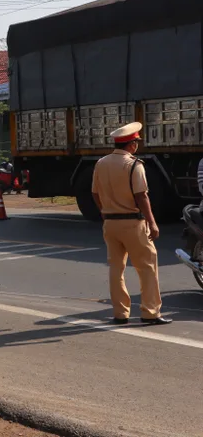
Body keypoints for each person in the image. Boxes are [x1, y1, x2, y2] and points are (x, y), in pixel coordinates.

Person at [91, 122, 170, 325]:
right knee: (147, 267)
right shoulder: (134, 165)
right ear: (132, 144)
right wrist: (152, 222)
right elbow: (141, 196)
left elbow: (94, 193)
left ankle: (120, 313)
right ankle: (150, 312)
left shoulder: (101, 163)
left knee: (116, 268)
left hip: (110, 224)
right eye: (136, 142)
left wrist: (104, 211)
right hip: (132, 224)